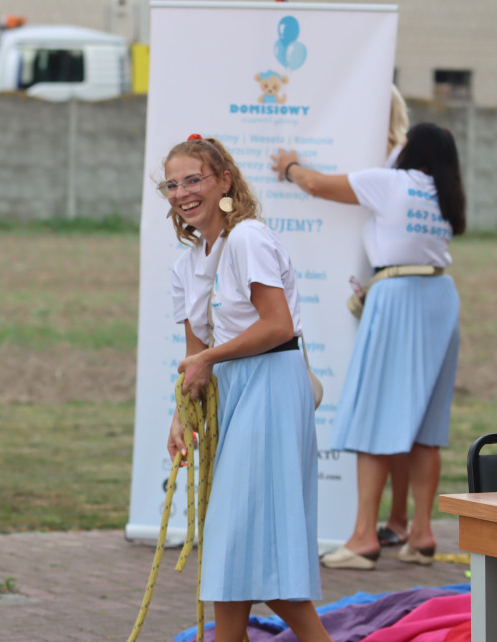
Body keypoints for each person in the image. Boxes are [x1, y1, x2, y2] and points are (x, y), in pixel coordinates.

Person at [270, 122, 466, 571]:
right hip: (440, 296)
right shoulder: (446, 193)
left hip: (397, 296)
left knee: (372, 417)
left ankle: (362, 538)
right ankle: (421, 532)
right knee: (426, 429)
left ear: (408, 151)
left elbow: (318, 185)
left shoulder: (390, 182)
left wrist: (289, 166)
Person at [162, 135, 333, 642]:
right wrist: (181, 418)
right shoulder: (187, 263)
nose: (183, 193)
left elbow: (278, 325)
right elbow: (196, 357)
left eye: (194, 180)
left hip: (272, 385)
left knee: (239, 543)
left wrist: (209, 357)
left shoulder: (248, 239)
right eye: (172, 185)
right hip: (235, 392)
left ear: (224, 181)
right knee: (232, 549)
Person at [375, 84, 412, 549]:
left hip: (390, 288)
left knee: (395, 413)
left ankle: (400, 516)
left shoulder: (403, 158)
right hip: (361, 287)